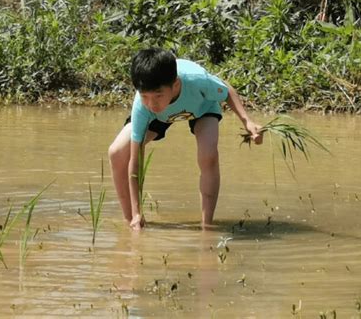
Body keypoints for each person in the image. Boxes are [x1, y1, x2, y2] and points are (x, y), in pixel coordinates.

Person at [108, 48, 263, 230]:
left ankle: (207, 226)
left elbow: (227, 90)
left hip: (201, 108)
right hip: (158, 117)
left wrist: (247, 121)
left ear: (175, 85)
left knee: (208, 155)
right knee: (117, 152)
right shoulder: (144, 107)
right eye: (145, 97)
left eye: (158, 96)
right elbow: (136, 162)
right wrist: (137, 212)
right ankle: (132, 221)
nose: (151, 103)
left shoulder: (197, 81)